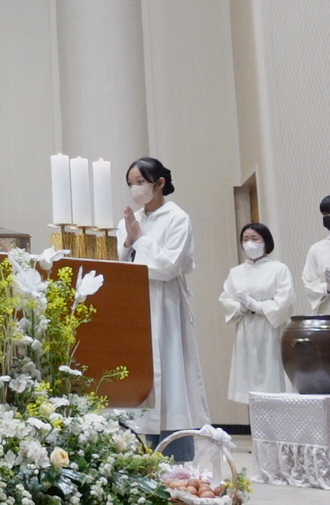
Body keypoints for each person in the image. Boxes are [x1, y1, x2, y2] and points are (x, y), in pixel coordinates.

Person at [117, 157, 209, 462]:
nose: (135, 188)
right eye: (131, 183)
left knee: (170, 377)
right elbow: (122, 264)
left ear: (159, 183)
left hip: (166, 305)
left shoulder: (177, 218)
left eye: (141, 182)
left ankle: (176, 457)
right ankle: (139, 456)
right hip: (136, 305)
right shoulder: (131, 220)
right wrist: (128, 241)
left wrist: (141, 240)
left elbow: (169, 266)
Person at [218, 223, 296, 403]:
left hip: (270, 330)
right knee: (249, 383)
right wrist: (241, 308)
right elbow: (226, 299)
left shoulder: (278, 269)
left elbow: (285, 302)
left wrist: (257, 306)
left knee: (272, 378)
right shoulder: (236, 272)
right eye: (245, 239)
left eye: (255, 238)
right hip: (246, 331)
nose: (249, 243)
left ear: (266, 242)